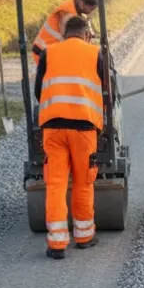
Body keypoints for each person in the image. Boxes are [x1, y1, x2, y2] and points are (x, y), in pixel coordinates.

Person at [33, 15, 107, 259]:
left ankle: (57, 244)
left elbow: (38, 90)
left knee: (55, 183)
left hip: (53, 128)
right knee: (83, 182)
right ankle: (84, 236)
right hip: (84, 129)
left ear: (65, 34)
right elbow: (107, 91)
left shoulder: (49, 53)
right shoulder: (95, 54)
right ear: (86, 34)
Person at [31, 0, 98, 67]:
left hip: (53, 52)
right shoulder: (67, 14)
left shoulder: (76, 9)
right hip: (43, 53)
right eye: (91, 8)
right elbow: (71, 39)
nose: (92, 11)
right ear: (82, 3)